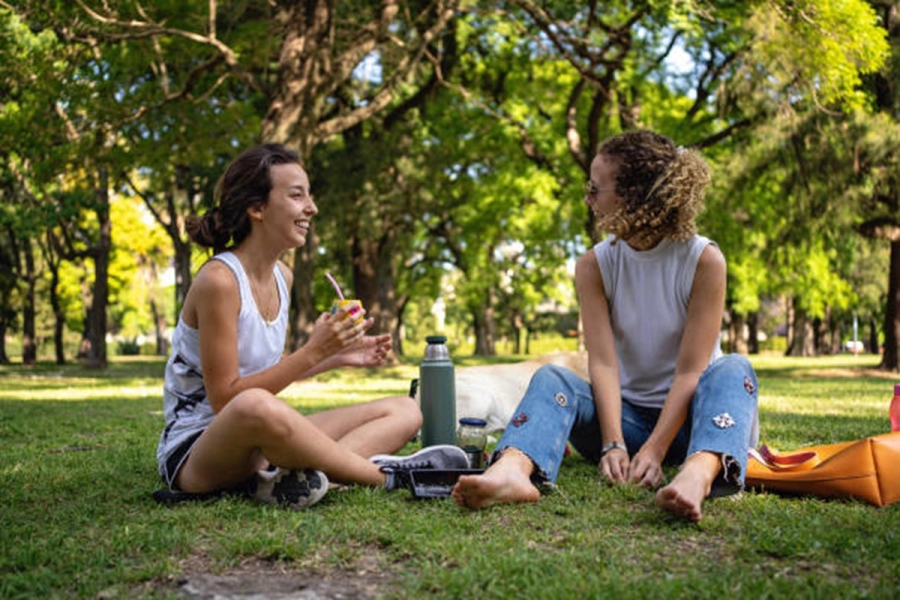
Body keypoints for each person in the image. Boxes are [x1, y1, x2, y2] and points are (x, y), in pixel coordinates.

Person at [451, 131, 759, 522]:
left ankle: (696, 475)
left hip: (697, 425)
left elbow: (690, 371)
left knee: (733, 368)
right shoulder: (594, 265)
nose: (588, 199)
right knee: (552, 378)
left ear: (634, 198)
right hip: (626, 422)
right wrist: (613, 444)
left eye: (596, 190)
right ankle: (513, 470)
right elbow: (604, 364)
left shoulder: (703, 260)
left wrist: (655, 451)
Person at [156, 143, 467, 509]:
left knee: (404, 411)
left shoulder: (281, 276)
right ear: (257, 208)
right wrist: (314, 350)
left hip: (260, 443)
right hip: (199, 451)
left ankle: (292, 481)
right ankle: (391, 477)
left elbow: (264, 369)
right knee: (255, 405)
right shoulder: (219, 280)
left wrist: (336, 355)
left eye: (310, 195)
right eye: (296, 195)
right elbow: (227, 399)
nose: (311, 208)